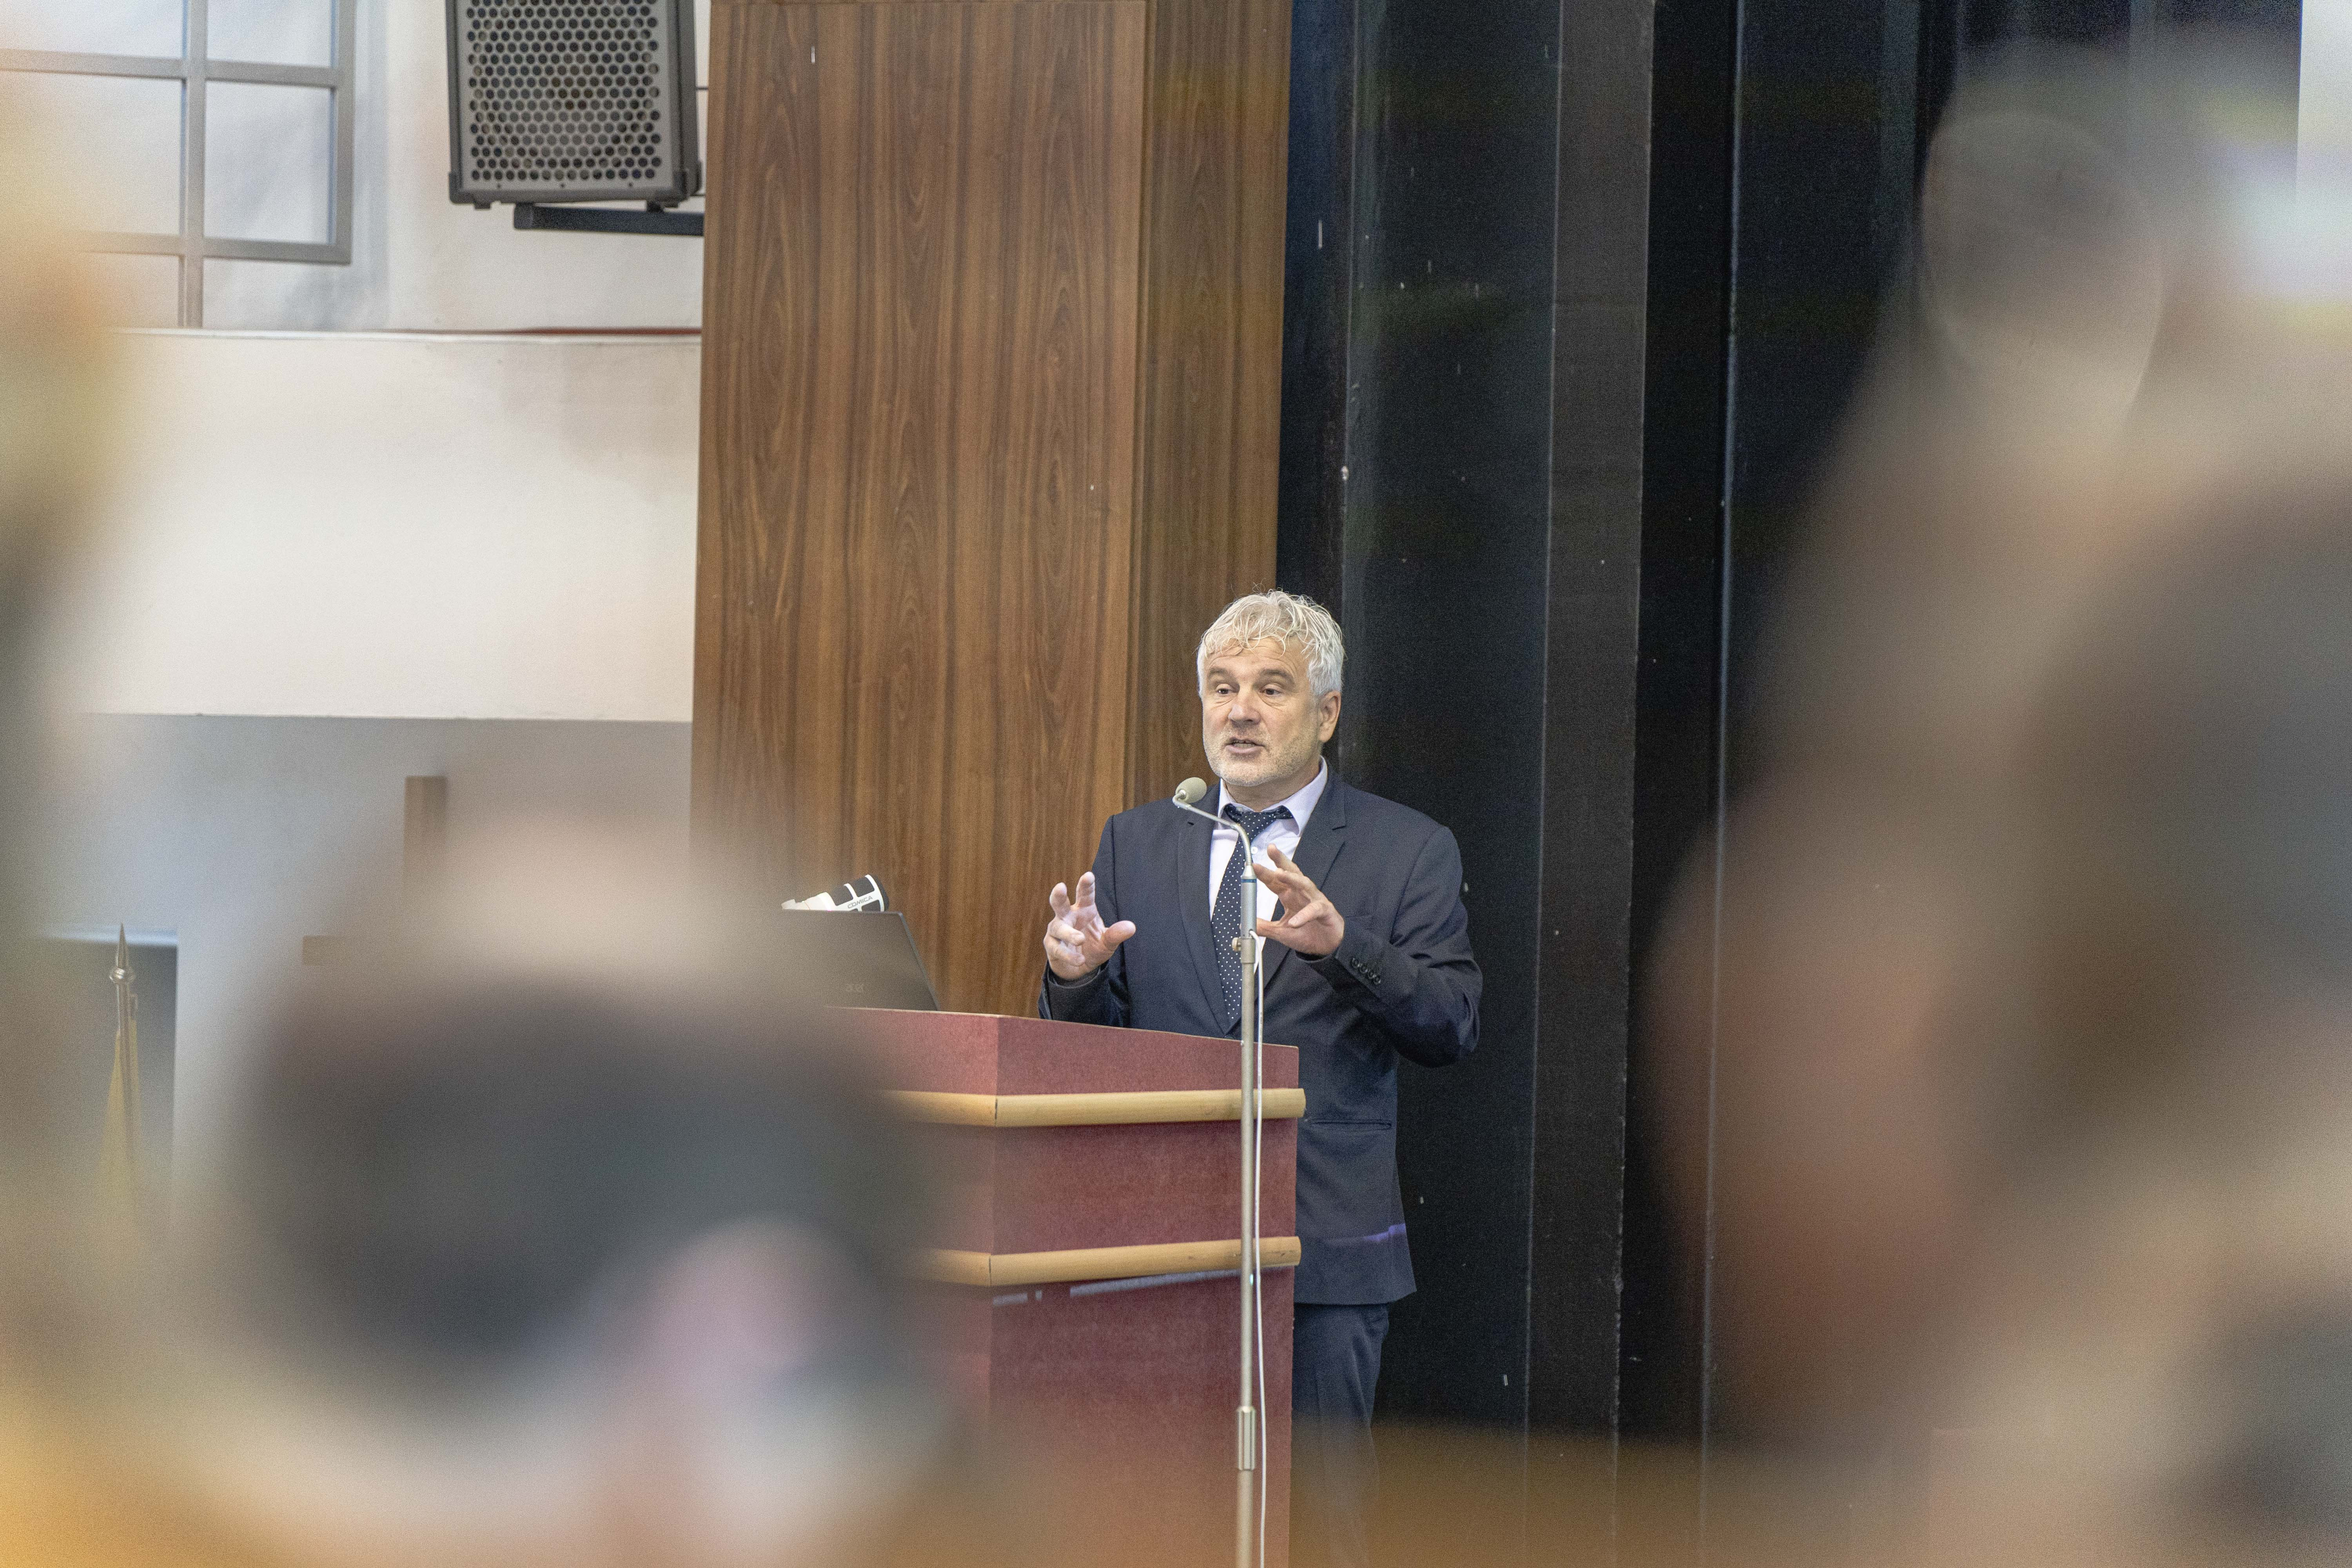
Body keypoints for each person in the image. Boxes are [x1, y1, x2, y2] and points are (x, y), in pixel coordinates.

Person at [1036, 590, 1480, 1568]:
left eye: (1270, 688)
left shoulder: (1406, 847)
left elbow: (1452, 1023)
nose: (1238, 710)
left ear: (1325, 711)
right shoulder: (1139, 839)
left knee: (1317, 1523)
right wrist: (1072, 977)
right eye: (1221, 686)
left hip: (1322, 1244)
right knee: (1160, 1522)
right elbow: (1097, 1045)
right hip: (1157, 1244)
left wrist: (1344, 945)